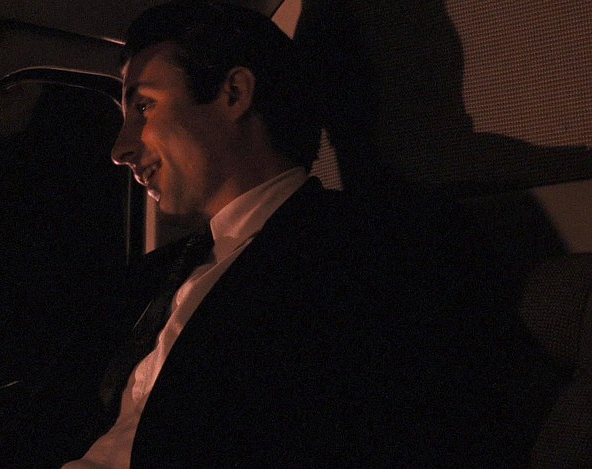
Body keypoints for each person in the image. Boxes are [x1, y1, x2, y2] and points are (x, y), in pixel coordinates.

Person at [51, 1, 562, 467]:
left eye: (144, 106)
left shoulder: (376, 254)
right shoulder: (150, 279)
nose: (120, 149)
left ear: (234, 94)